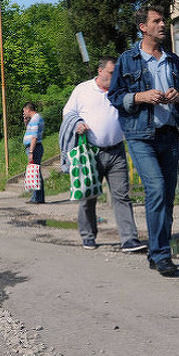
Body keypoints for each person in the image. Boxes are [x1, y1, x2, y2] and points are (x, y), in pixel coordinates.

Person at [108, 5, 179, 277]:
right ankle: (163, 255)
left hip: (168, 134)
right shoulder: (128, 60)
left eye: (163, 20)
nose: (163, 24)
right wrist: (140, 97)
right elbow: (115, 97)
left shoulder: (174, 61)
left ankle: (157, 251)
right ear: (143, 27)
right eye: (157, 21)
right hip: (140, 136)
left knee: (166, 196)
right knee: (155, 189)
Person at [61, 55, 147, 253]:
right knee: (88, 196)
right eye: (111, 72)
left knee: (122, 196)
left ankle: (129, 239)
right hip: (91, 152)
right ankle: (88, 236)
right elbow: (68, 113)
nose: (114, 76)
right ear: (100, 71)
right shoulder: (83, 90)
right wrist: (77, 124)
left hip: (117, 151)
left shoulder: (120, 90)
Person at [22, 101, 45, 204]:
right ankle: (38, 197)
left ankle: (36, 198)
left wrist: (31, 151)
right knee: (36, 172)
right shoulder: (35, 119)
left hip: (34, 148)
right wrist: (26, 123)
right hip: (34, 148)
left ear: (28, 109)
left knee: (35, 173)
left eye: (24, 111)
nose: (24, 113)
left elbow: (34, 137)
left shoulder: (35, 119)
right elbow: (31, 132)